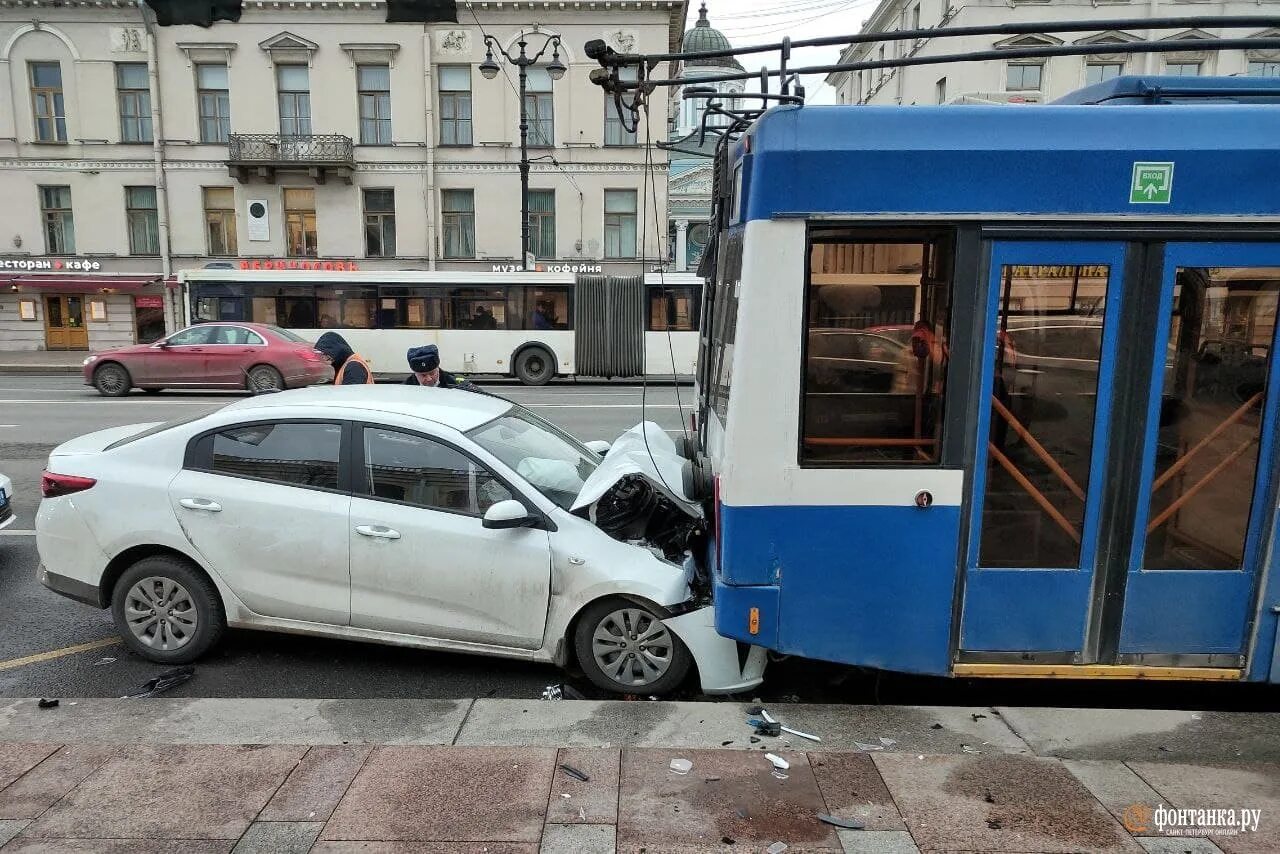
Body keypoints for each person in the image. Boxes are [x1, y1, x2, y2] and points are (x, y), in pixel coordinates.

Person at [403, 344, 480, 392]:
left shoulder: (457, 384)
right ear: (415, 374)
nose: (429, 379)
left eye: (432, 373)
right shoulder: (405, 389)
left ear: (437, 369)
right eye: (423, 375)